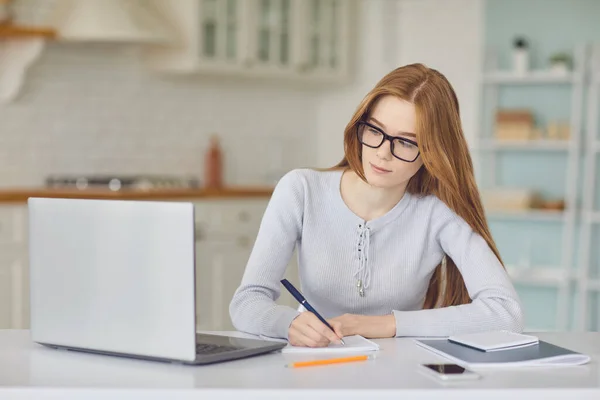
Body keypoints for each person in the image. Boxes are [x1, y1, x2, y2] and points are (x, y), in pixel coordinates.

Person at [229, 63, 524, 348]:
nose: (383, 153)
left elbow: (505, 312)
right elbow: (247, 302)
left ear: (432, 152)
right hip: (313, 367)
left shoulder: (438, 212)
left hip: (401, 376)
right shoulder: (301, 190)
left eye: (406, 143)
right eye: (375, 131)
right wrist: (287, 325)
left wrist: (383, 326)